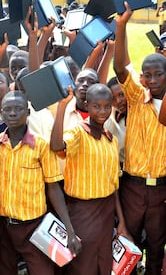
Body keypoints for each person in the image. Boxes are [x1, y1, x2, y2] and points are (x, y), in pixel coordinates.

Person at [0, 91, 81, 275]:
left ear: (28, 113)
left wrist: (69, 230)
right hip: (4, 225)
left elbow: (53, 188)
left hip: (34, 226)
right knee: (4, 270)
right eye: (8, 110)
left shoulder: (41, 146)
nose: (13, 113)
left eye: (18, 109)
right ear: (1, 114)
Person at [50, 84, 129, 275]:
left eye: (107, 106)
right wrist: (62, 107)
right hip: (83, 212)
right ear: (87, 106)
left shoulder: (111, 139)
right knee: (83, 265)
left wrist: (122, 223)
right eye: (96, 106)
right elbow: (56, 145)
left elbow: (114, 186)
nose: (102, 111)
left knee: (103, 262)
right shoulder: (78, 133)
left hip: (107, 211)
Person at [114, 1, 166, 275]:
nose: (153, 79)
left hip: (161, 189)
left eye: (159, 74)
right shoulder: (136, 98)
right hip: (133, 186)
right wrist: (122, 26)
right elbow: (121, 68)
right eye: (148, 75)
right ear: (143, 79)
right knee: (128, 245)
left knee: (157, 247)